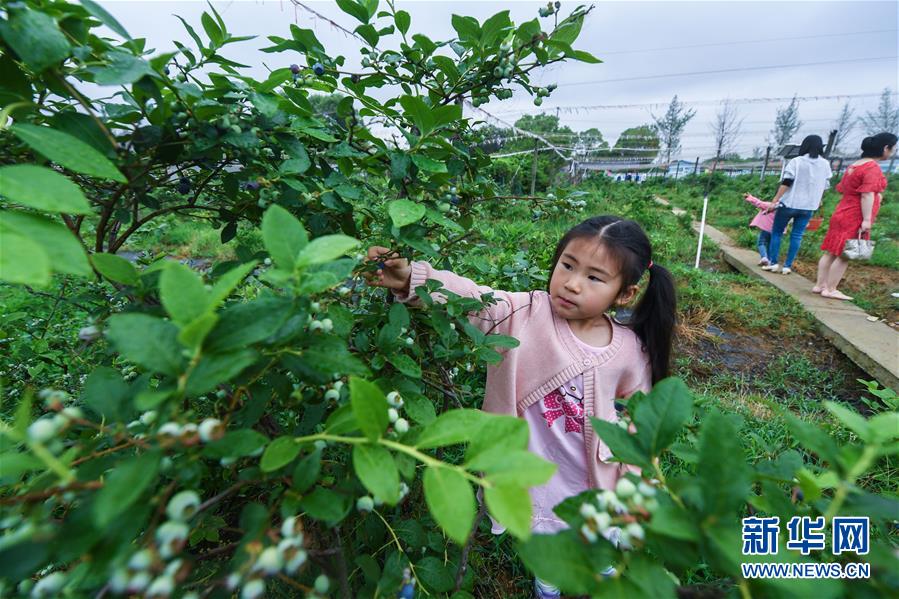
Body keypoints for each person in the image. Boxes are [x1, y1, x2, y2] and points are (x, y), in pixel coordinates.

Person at [366, 216, 676, 599]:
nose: (573, 283)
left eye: (595, 278)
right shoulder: (524, 314)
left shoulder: (628, 349)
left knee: (597, 549)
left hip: (595, 478)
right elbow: (474, 299)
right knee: (545, 556)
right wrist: (412, 278)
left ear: (624, 294)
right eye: (567, 265)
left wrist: (637, 476)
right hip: (537, 475)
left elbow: (641, 417)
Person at [814, 132, 896, 300]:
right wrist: (866, 219)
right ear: (885, 148)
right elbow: (867, 194)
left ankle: (820, 285)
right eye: (893, 149)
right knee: (846, 254)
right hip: (854, 214)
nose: (893, 152)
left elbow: (843, 189)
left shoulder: (855, 165)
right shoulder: (871, 167)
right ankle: (830, 289)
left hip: (842, 210)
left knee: (831, 251)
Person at [761, 135, 833, 275]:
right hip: (808, 207)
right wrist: (818, 200)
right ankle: (787, 266)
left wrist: (775, 200)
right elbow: (824, 186)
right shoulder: (825, 164)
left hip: (789, 203)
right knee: (797, 236)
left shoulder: (797, 162)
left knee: (776, 232)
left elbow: (787, 182)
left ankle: (773, 263)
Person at [743, 193, 776, 266]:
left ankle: (764, 257)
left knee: (761, 243)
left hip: (766, 228)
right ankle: (769, 260)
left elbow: (758, 203)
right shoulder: (783, 210)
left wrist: (750, 197)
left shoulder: (769, 205)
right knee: (770, 244)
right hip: (776, 231)